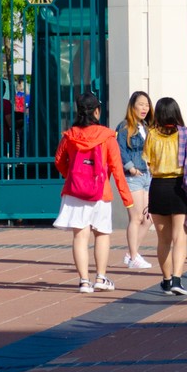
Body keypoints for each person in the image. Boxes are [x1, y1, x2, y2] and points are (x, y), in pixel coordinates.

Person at [54, 92, 134, 293]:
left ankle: (83, 281)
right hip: (100, 193)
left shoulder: (70, 136)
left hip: (75, 193)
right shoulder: (107, 137)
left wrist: (72, 176)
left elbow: (59, 161)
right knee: (102, 234)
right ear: (97, 111)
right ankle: (100, 277)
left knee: (80, 237)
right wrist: (128, 201)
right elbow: (117, 169)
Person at [144, 96, 187, 296]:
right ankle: (177, 280)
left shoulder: (152, 135)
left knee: (162, 239)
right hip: (180, 186)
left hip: (157, 187)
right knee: (179, 237)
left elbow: (147, 162)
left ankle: (165, 280)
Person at [117, 92, 154, 272]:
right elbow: (120, 149)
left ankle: (132, 253)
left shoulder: (146, 127)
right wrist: (130, 167)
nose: (144, 108)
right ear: (133, 106)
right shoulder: (125, 126)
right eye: (141, 104)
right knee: (136, 217)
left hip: (147, 175)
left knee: (148, 218)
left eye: (147, 104)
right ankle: (133, 256)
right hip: (133, 177)